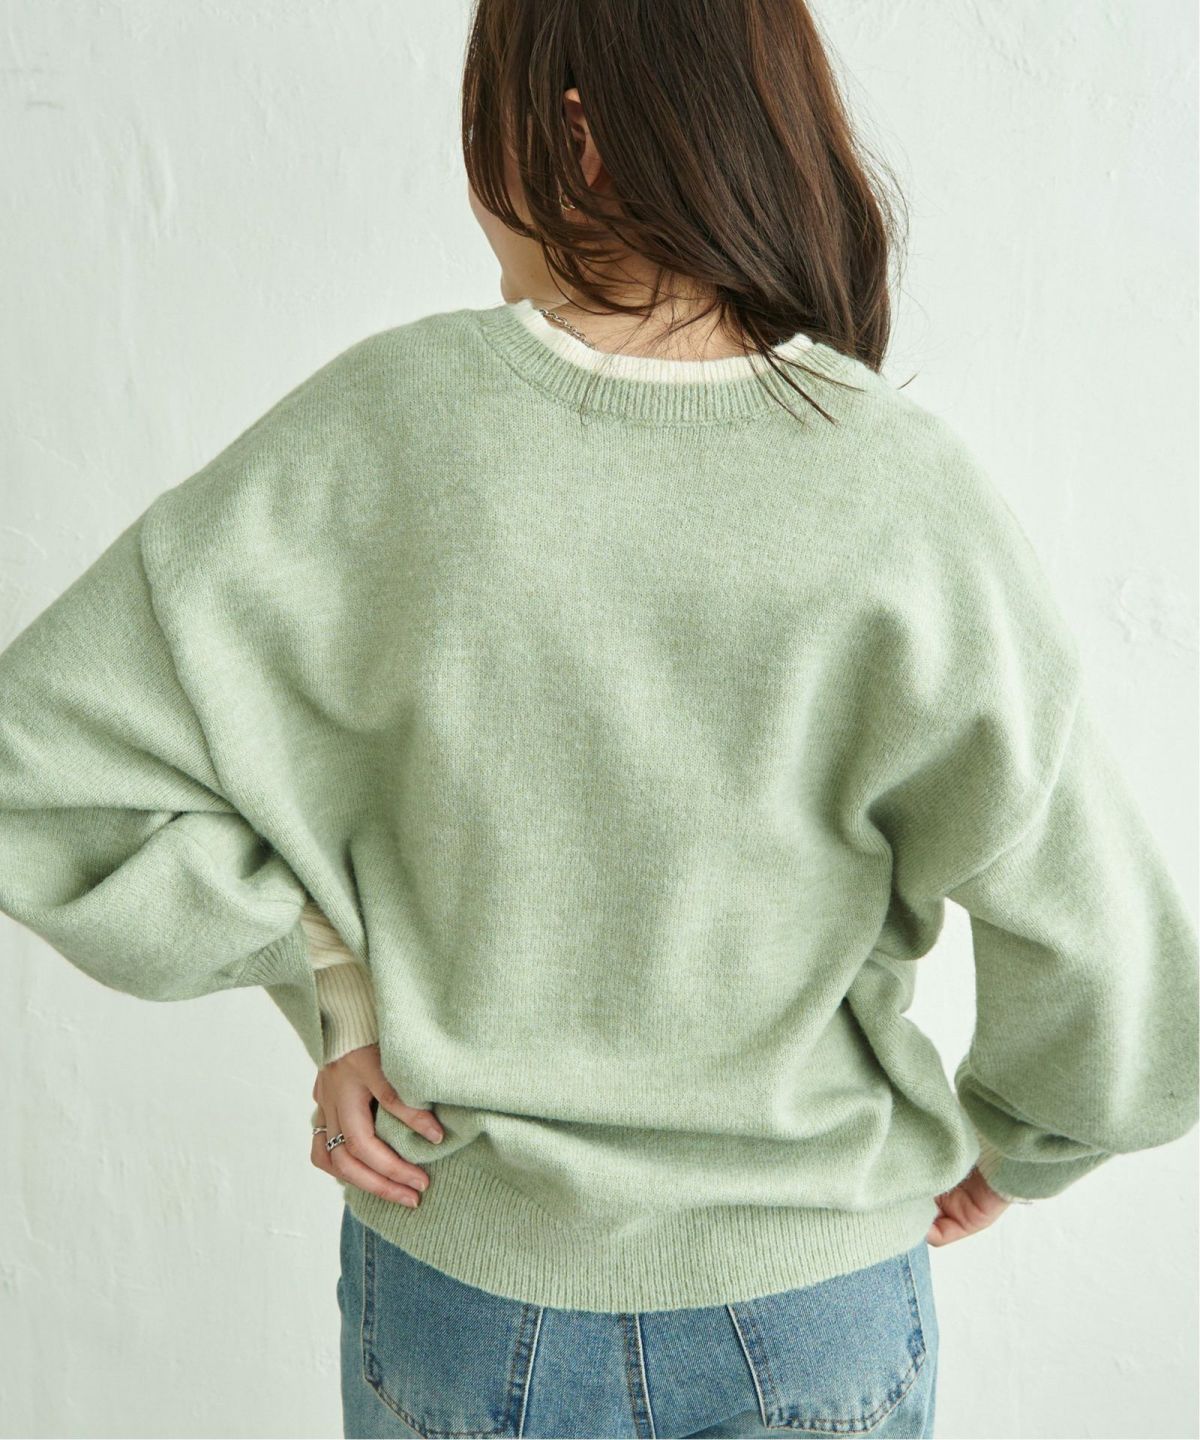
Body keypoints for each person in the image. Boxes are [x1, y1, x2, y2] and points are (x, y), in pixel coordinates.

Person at [1, 1, 1196, 1437]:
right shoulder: (903, 488)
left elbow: (40, 768)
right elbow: (1100, 943)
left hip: (463, 1284)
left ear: (574, 138)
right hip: (812, 1298)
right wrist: (1027, 1142)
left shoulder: (387, 426)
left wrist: (333, 991)